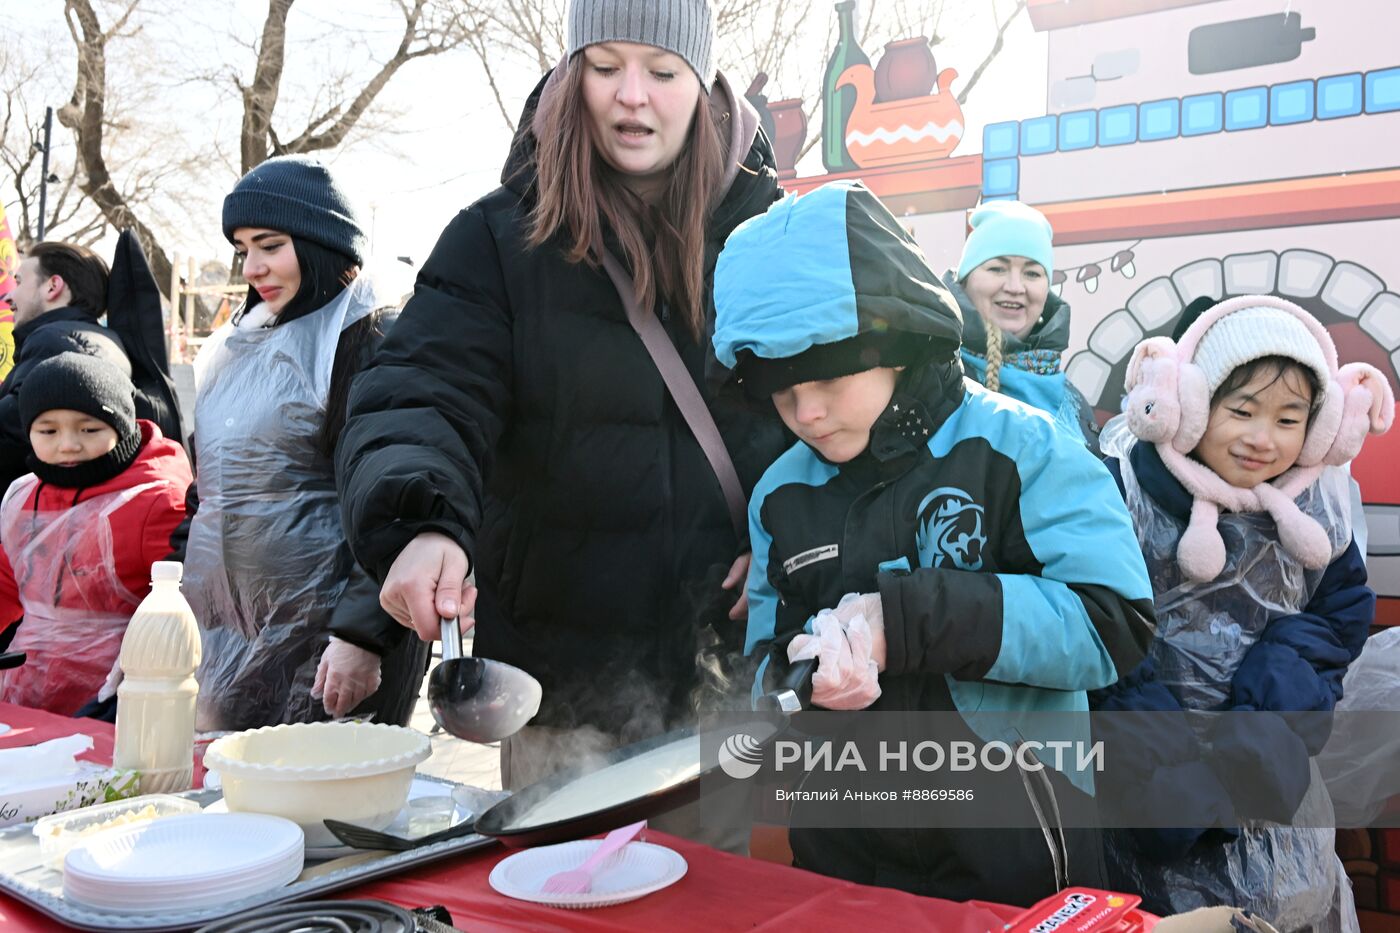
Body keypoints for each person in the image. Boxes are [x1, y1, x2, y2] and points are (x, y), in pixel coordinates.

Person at [336, 0, 788, 796]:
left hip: (736, 684)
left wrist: (794, 534)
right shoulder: (496, 239)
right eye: (606, 67)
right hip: (556, 700)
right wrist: (420, 524)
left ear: (705, 83)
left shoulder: (773, 241)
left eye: (663, 70)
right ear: (572, 78)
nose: (632, 95)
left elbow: (840, 413)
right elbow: (422, 392)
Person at [711, 180, 1157, 904]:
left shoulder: (1024, 448)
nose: (808, 413)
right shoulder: (778, 496)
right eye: (781, 392)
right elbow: (763, 661)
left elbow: (1115, 623)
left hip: (1016, 855)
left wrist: (905, 621)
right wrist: (799, 676)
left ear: (896, 334)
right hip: (841, 859)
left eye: (826, 379)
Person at [1094, 295, 1392, 928]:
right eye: (1241, 410)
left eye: (1289, 419)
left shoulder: (1320, 508)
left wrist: (1266, 721)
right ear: (1189, 405)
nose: (1263, 439)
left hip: (1276, 797)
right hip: (1143, 802)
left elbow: (1338, 619)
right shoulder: (1117, 494)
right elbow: (1100, 636)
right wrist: (1163, 766)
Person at [179, 155, 426, 731]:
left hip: (337, 642)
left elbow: (398, 502)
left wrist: (361, 634)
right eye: (243, 249)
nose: (253, 268)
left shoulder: (372, 340)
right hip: (227, 632)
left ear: (322, 245)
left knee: (324, 806)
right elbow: (210, 494)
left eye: (270, 245)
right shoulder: (233, 351)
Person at [0, 353, 191, 716]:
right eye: (48, 431)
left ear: (121, 426)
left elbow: (185, 596)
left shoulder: (155, 500)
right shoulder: (25, 496)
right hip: (30, 685)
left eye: (89, 429)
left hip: (119, 693)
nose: (68, 444)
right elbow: (9, 579)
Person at [1, 240, 186, 499]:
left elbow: (13, 434)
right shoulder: (90, 338)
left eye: (19, 282)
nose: (9, 295)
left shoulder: (57, 342)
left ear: (53, 286)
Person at [941, 200, 1101, 452]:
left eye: (1032, 273)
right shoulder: (935, 376)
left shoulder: (1072, 401)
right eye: (997, 268)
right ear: (964, 281)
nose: (1015, 287)